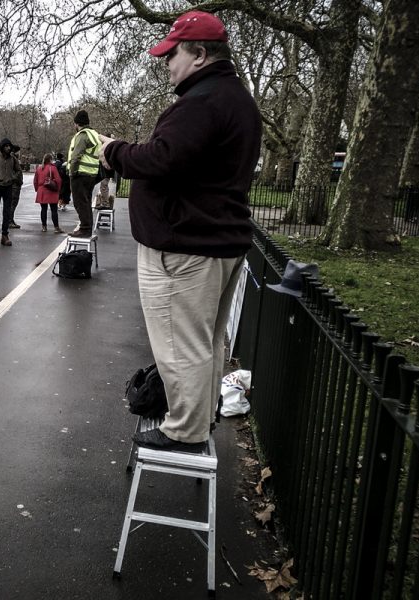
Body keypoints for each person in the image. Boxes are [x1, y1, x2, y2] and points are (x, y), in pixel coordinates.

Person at [101, 10, 262, 452]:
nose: (166, 62)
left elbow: (161, 159)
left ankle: (185, 429)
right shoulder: (235, 99)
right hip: (216, 241)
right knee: (205, 342)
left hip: (186, 246)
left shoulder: (204, 102)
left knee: (180, 345)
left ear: (200, 54)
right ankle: (199, 416)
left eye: (172, 53)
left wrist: (114, 151)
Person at [67, 110, 101, 237]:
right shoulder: (94, 134)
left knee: (79, 202)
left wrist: (72, 172)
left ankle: (84, 228)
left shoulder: (82, 135)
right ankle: (87, 228)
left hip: (80, 173)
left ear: (76, 123)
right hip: (91, 173)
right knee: (86, 201)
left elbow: (76, 155)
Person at [32, 153, 64, 233]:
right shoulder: (52, 168)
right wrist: (58, 189)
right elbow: (58, 180)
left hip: (41, 191)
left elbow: (35, 180)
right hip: (51, 191)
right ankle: (56, 228)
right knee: (54, 210)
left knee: (43, 209)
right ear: (50, 159)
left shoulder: (39, 168)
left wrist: (37, 189)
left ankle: (44, 227)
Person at [8, 144, 23, 229]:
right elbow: (16, 172)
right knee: (13, 203)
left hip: (14, 184)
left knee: (12, 204)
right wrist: (17, 180)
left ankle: (11, 220)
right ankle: (10, 221)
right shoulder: (13, 159)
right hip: (14, 185)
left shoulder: (12, 158)